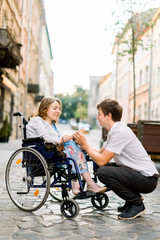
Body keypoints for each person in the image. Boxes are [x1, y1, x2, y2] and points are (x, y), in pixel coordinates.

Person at [73, 98, 159, 220]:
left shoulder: (119, 132)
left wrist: (86, 144)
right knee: (102, 168)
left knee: (103, 172)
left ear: (109, 115)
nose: (97, 117)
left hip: (147, 179)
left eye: (99, 114)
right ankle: (131, 201)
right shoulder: (114, 131)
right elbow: (98, 153)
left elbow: (102, 160)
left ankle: (136, 204)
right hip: (139, 175)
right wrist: (82, 144)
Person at [26, 97, 107, 195]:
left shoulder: (53, 125)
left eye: (59, 109)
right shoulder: (37, 121)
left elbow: (60, 139)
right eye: (55, 108)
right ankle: (87, 182)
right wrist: (67, 138)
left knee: (75, 144)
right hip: (42, 152)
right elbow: (46, 139)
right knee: (71, 143)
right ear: (45, 108)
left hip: (54, 151)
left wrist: (73, 139)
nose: (58, 111)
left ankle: (80, 179)